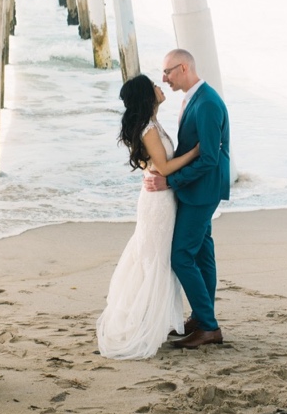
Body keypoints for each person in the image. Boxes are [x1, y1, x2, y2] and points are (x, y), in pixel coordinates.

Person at [96, 74, 200, 359]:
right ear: (147, 94)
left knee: (155, 258)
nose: (160, 87)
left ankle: (149, 320)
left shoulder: (152, 123)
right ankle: (142, 324)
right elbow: (164, 168)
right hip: (158, 203)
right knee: (153, 260)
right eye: (154, 85)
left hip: (162, 199)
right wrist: (195, 152)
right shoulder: (148, 128)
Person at [144, 49, 231, 349]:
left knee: (181, 255)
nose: (164, 78)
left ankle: (208, 326)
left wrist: (170, 181)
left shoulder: (206, 103)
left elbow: (208, 157)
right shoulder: (194, 97)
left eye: (167, 72)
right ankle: (202, 318)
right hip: (199, 189)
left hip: (202, 191)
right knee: (203, 253)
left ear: (183, 67)